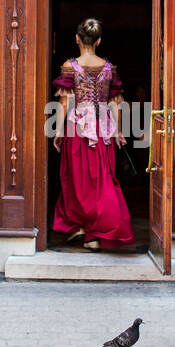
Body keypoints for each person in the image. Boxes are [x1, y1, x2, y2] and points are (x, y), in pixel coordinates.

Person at [52, 18, 135, 250]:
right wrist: (119, 131)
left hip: (76, 129)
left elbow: (65, 103)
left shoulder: (70, 67)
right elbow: (116, 103)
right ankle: (90, 231)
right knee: (100, 179)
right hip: (102, 131)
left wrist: (58, 132)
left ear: (77, 39)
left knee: (75, 179)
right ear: (99, 41)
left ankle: (83, 228)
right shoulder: (109, 69)